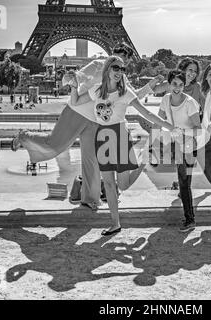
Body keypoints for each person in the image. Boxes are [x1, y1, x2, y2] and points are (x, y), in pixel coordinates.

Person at [11, 43, 164, 211]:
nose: (122, 63)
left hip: (96, 121)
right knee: (55, 145)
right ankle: (24, 136)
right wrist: (71, 79)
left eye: (125, 61)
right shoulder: (98, 65)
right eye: (120, 58)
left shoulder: (121, 79)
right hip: (76, 112)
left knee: (91, 160)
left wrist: (152, 84)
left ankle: (90, 199)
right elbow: (79, 76)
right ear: (112, 54)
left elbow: (134, 97)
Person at [68, 56, 178, 236]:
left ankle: (143, 160)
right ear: (107, 70)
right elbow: (75, 102)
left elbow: (147, 114)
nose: (119, 72)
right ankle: (115, 224)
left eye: (122, 69)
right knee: (110, 185)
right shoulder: (97, 90)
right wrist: (73, 86)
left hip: (119, 135)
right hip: (102, 137)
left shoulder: (126, 93)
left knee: (124, 185)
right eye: (116, 68)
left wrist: (169, 126)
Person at [157, 70, 201, 232]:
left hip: (189, 145)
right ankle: (188, 212)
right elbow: (159, 120)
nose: (177, 87)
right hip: (175, 144)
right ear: (169, 84)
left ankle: (190, 220)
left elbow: (198, 129)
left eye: (181, 84)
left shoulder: (189, 103)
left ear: (184, 85)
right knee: (184, 181)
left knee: (183, 181)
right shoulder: (165, 99)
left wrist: (181, 132)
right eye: (174, 84)